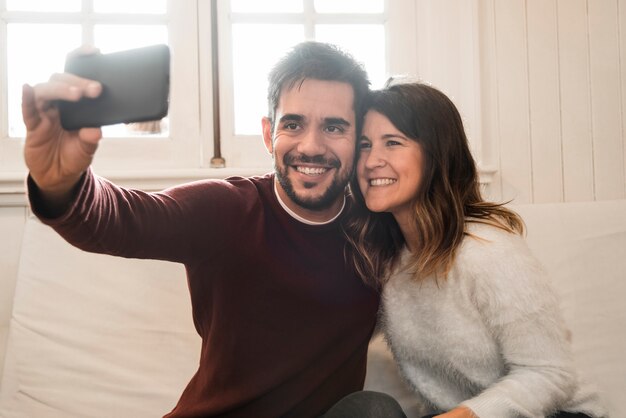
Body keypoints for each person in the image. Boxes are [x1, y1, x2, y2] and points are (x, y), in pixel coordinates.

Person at [21, 41, 407, 418]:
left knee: (375, 410)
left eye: (334, 127)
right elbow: (120, 218)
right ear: (268, 132)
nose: (311, 146)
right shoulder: (227, 209)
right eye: (293, 123)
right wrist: (62, 182)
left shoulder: (377, 228)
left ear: (358, 141)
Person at [345, 80, 607, 418]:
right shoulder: (385, 258)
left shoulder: (488, 252)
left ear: (436, 155)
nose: (371, 161)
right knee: (367, 408)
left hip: (554, 414)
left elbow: (551, 373)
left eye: (393, 143)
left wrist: (466, 414)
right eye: (364, 145)